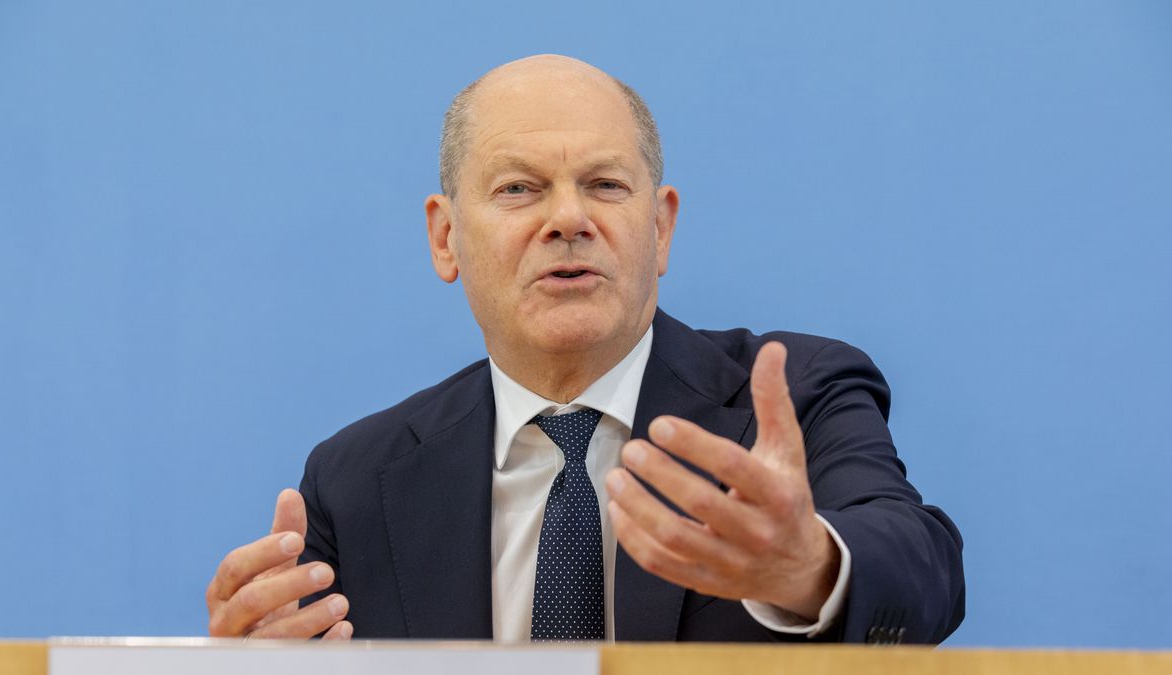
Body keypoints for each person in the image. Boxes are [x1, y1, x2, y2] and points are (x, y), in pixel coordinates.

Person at [204, 54, 964, 644]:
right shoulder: (355, 480)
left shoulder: (798, 397)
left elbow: (922, 572)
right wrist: (258, 652)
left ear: (660, 228)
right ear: (446, 237)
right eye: (519, 189)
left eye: (604, 185)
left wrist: (809, 566)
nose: (568, 218)